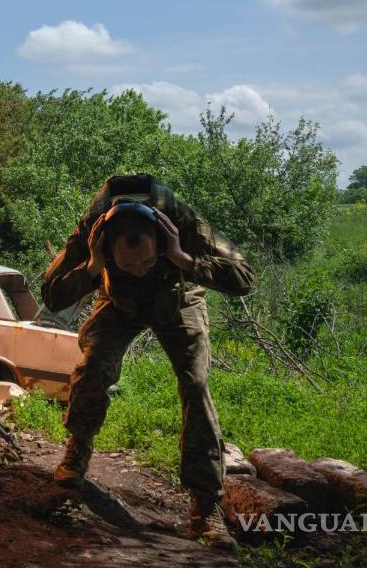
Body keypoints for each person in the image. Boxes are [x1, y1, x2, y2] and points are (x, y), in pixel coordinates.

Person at [41, 174, 255, 552]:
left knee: (196, 384)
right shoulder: (93, 227)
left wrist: (182, 259)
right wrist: (93, 268)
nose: (139, 269)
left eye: (146, 262)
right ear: (106, 247)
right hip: (117, 302)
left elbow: (244, 276)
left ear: (162, 237)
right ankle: (79, 445)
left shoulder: (181, 220)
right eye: (129, 264)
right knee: (93, 368)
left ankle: (205, 508)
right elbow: (52, 294)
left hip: (178, 299)